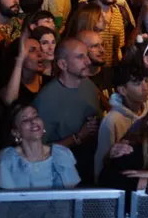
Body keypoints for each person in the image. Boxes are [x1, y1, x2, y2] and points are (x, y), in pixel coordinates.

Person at [33, 38, 102, 182]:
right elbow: (37, 150)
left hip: (91, 169)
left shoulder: (88, 85)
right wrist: (77, 137)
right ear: (63, 64)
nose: (88, 61)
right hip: (63, 177)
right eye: (80, 57)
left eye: (87, 56)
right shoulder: (47, 99)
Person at [0, 103, 80, 189]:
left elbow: (72, 196)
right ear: (15, 132)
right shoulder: (7, 159)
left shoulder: (61, 154)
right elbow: (5, 200)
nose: (33, 121)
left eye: (35, 116)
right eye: (25, 120)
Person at [94, 63, 148, 181]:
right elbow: (101, 163)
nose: (145, 87)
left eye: (145, 81)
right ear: (122, 90)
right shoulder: (112, 120)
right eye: (137, 83)